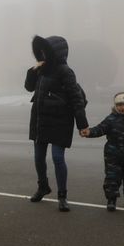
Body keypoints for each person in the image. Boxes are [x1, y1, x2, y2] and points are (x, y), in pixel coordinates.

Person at [24, 35, 88, 212]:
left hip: (60, 121)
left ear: (55, 52)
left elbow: (76, 99)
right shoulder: (41, 70)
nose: (43, 53)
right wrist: (33, 70)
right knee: (38, 158)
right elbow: (29, 87)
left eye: (46, 50)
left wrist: (82, 125)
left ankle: (62, 196)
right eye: (41, 50)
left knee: (58, 158)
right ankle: (43, 187)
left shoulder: (65, 71)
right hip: (40, 120)